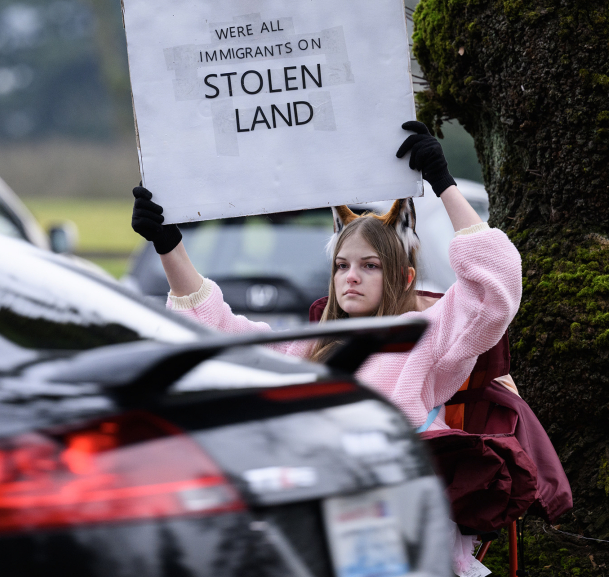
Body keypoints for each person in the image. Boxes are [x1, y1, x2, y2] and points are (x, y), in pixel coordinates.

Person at [131, 121, 523, 434]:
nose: (351, 276)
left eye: (370, 266)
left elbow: (496, 282)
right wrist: (168, 246)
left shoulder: (427, 335)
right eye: (342, 265)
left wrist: (443, 184)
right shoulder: (307, 348)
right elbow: (216, 333)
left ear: (405, 278)